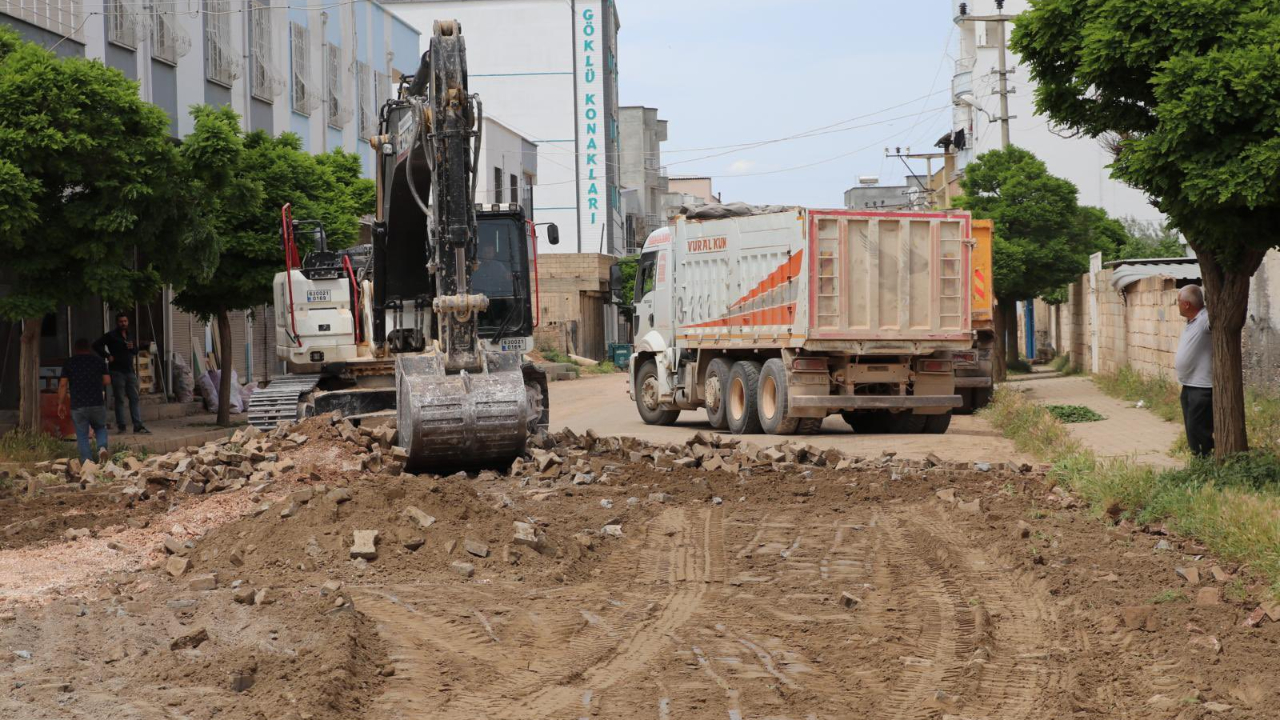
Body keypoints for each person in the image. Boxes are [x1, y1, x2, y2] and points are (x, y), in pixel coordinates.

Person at [94, 312, 151, 434]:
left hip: (130, 371)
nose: (123, 323)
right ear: (117, 323)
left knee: (134, 398)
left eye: (125, 321)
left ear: (128, 322)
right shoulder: (111, 335)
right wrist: (107, 355)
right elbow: (96, 345)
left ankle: (137, 425)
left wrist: (132, 347)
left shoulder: (130, 334)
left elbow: (135, 351)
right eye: (121, 321)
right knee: (119, 399)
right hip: (117, 371)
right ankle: (122, 426)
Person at [57, 338, 111, 464]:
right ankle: (102, 447)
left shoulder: (69, 363)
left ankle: (87, 461)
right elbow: (107, 381)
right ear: (89, 348)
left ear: (75, 349)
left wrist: (61, 403)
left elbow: (63, 385)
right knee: (100, 427)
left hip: (78, 404)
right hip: (97, 402)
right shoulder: (98, 361)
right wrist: (95, 380)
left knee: (82, 434)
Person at [1174, 284, 1213, 457]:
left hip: (1202, 386)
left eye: (1178, 302)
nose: (1177, 305)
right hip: (1188, 384)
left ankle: (1207, 455)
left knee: (1197, 425)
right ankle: (1197, 457)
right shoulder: (1192, 321)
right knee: (1190, 425)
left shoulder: (1205, 319)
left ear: (1187, 304)